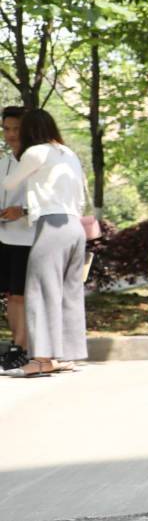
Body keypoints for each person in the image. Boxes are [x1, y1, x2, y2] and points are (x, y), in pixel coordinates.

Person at [0, 110, 88, 375]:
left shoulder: (35, 152)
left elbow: (8, 183)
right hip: (75, 226)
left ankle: (39, 360)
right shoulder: (68, 153)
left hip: (51, 227)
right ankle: (66, 356)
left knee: (38, 291)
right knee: (68, 293)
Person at [1, 107, 32, 369]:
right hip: (5, 239)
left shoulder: (37, 161)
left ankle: (23, 348)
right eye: (6, 128)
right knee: (11, 295)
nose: (11, 134)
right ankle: (16, 344)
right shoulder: (3, 163)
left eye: (16, 128)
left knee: (22, 295)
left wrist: (22, 211)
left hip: (30, 237)